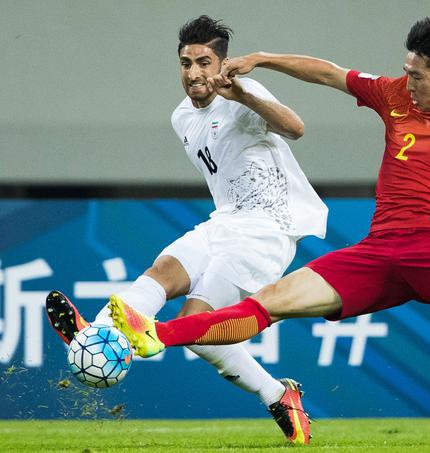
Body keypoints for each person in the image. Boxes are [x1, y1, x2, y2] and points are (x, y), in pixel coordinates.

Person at [110, 18, 430, 371]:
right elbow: (328, 72)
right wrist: (264, 59)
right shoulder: (393, 95)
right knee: (272, 300)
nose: (406, 81)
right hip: (377, 251)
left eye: (416, 75)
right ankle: (153, 336)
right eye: (406, 71)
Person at [45, 15, 328, 446]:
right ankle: (99, 332)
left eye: (203, 62)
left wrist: (245, 95)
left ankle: (275, 393)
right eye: (185, 62)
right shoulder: (182, 117)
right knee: (162, 272)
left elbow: (296, 128)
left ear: (222, 64)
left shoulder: (241, 96)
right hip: (225, 221)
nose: (194, 72)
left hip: (266, 230)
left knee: (197, 328)